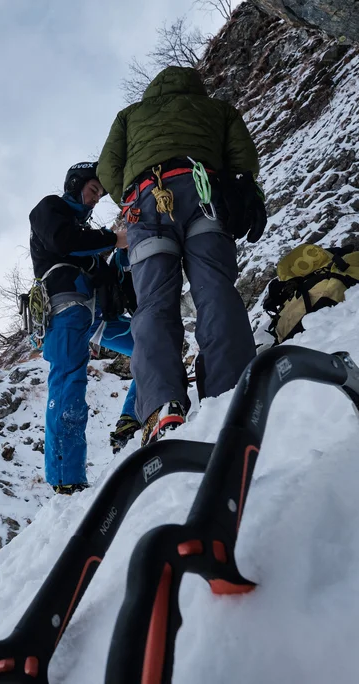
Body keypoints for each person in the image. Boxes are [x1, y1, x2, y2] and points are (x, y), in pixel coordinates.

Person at [97, 65, 267, 446]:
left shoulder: (129, 116)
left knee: (153, 303)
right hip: (204, 194)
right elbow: (243, 159)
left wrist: (130, 196)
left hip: (147, 206)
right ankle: (230, 387)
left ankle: (162, 404)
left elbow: (107, 168)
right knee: (214, 288)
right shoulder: (217, 109)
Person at [29, 161, 139, 494]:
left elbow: (103, 271)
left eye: (100, 195)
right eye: (93, 190)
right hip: (65, 309)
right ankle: (66, 478)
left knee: (152, 345)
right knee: (68, 383)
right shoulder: (50, 209)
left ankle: (131, 422)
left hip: (93, 314)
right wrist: (114, 238)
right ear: (75, 184)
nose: (95, 199)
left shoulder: (86, 240)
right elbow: (63, 240)